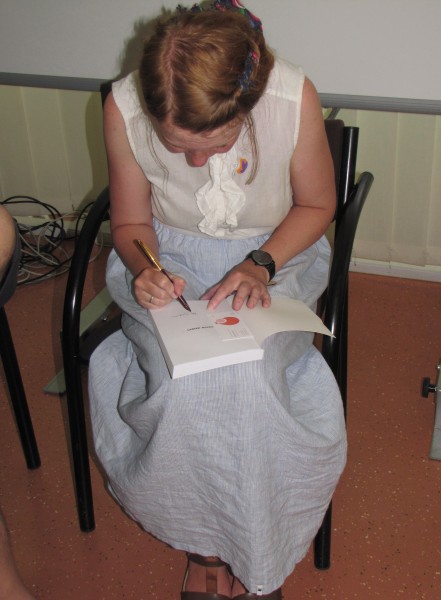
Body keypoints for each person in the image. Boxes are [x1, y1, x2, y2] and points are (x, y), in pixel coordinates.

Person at [88, 2, 347, 598]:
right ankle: (205, 545)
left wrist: (261, 264)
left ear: (246, 107)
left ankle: (255, 542)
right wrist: (146, 270)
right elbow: (130, 223)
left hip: (276, 251)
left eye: (214, 143)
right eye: (176, 146)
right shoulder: (123, 107)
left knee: (247, 381)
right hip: (168, 255)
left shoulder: (291, 97)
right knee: (186, 383)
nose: (198, 164)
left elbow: (316, 205)